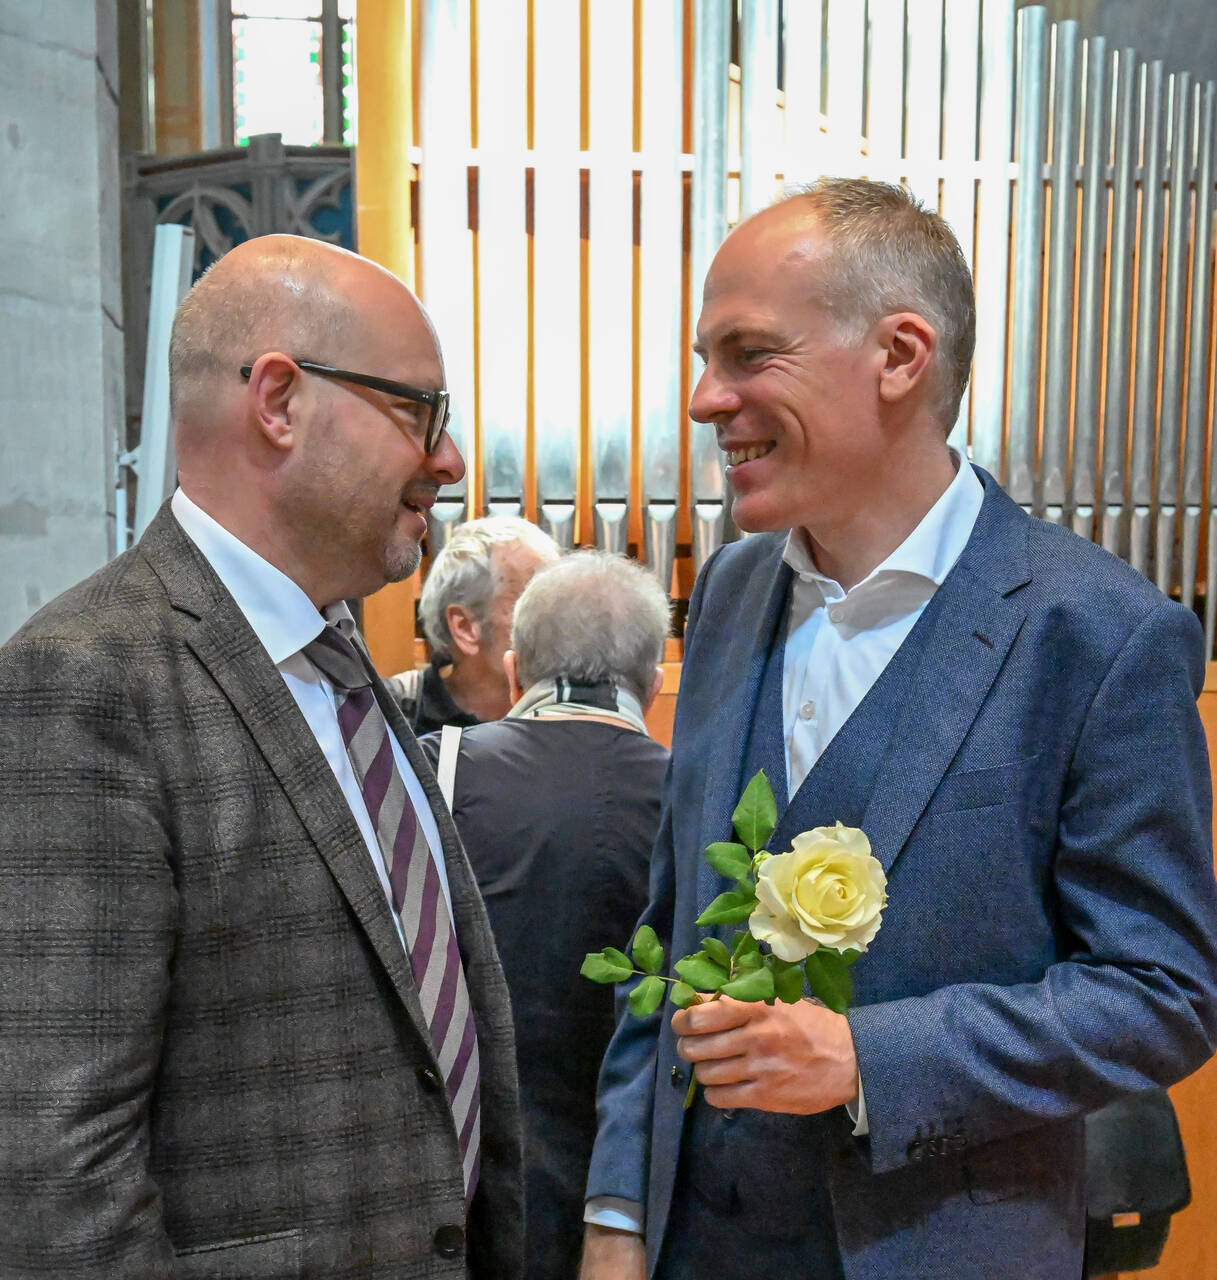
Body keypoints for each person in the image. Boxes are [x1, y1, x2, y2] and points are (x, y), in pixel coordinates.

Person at [580, 178, 1217, 1280]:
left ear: (898, 355)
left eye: (747, 354)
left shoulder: (1098, 634)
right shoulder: (728, 592)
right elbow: (672, 926)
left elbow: (1161, 993)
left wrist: (867, 1059)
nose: (702, 398)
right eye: (705, 358)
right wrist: (615, 1216)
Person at [0, 234, 523, 1277]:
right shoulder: (85, 680)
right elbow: (56, 1177)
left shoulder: (340, 662)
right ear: (278, 400)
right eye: (420, 412)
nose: (451, 461)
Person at [420, 550, 670, 1280]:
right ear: (654, 685)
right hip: (637, 1198)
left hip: (469, 1187)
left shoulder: (436, 770)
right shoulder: (700, 796)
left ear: (513, 671)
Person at [386, 516, 560, 736]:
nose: (561, 623)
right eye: (534, 604)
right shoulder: (387, 713)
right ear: (465, 627)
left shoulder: (573, 713)